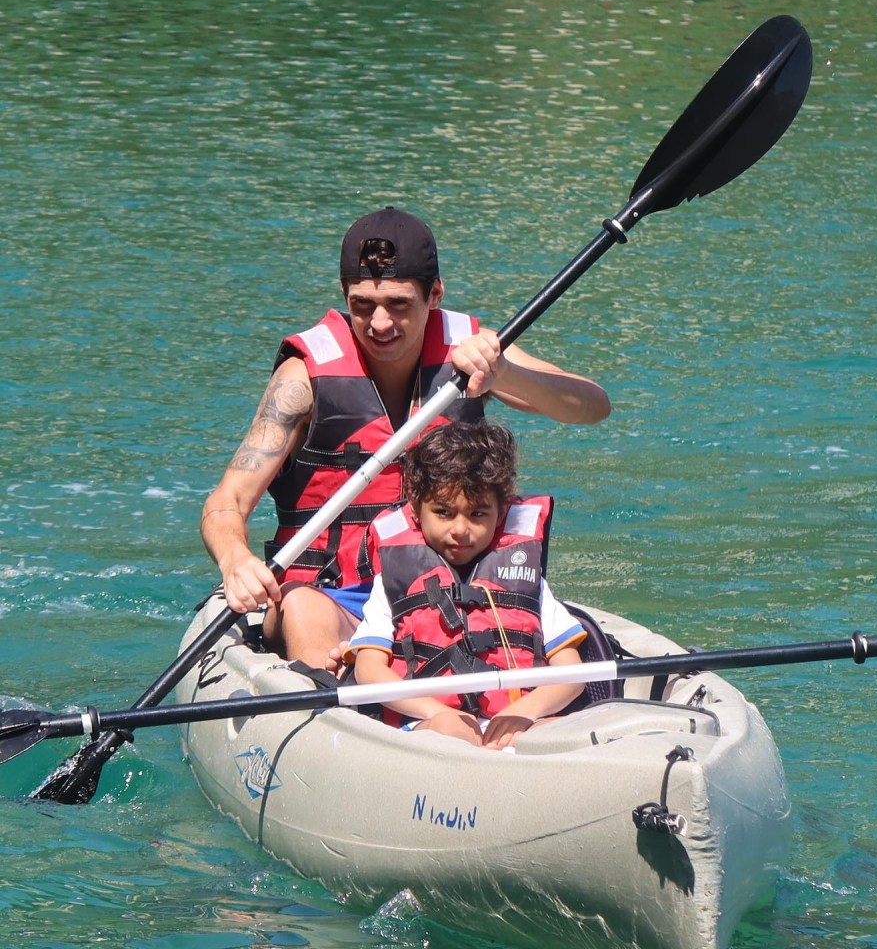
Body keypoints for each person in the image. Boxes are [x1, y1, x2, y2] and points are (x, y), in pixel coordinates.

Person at [200, 206, 609, 671]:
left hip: (451, 591)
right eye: (362, 305)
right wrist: (236, 559)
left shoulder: (473, 350)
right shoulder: (303, 379)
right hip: (333, 596)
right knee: (302, 607)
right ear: (344, 296)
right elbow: (226, 500)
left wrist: (505, 372)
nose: (379, 323)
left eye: (398, 304)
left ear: (434, 294)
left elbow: (593, 406)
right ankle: (335, 718)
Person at [344, 420, 586, 750]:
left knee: (555, 732)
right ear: (416, 510)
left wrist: (524, 713)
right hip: (429, 724)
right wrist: (439, 713)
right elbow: (369, 670)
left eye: (477, 514)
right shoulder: (393, 584)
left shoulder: (530, 583)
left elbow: (572, 673)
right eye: (444, 512)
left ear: (501, 514)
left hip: (518, 721)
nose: (461, 529)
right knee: (451, 734)